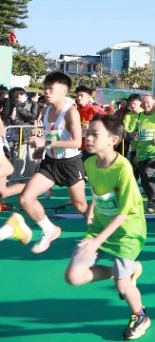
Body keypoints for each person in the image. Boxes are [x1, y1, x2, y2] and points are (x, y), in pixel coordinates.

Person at [64, 115, 150, 340]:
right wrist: (92, 208)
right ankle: (126, 271)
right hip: (100, 227)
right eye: (87, 133)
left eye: (95, 134)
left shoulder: (123, 169)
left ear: (113, 140)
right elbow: (98, 190)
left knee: (122, 286)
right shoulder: (90, 163)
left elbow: (124, 212)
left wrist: (96, 241)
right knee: (74, 276)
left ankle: (140, 315)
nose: (88, 138)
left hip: (127, 232)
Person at [0, 72, 88, 253]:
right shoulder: (46, 110)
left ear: (64, 91)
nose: (46, 92)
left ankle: (101, 232)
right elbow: (50, 136)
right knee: (25, 198)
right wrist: (42, 149)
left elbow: (76, 142)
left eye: (51, 89)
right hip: (50, 163)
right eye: (45, 88)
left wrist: (45, 143)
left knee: (80, 205)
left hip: (70, 163)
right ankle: (50, 229)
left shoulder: (71, 112)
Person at [134, 94, 155, 213]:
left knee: (147, 175)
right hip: (141, 152)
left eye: (148, 102)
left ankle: (152, 201)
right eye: (143, 102)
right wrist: (132, 135)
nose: (145, 104)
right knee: (144, 179)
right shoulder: (138, 116)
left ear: (154, 103)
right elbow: (133, 132)